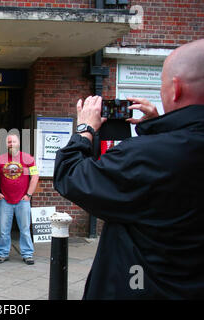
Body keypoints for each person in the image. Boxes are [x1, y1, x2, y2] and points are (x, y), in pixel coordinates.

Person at [53, 39, 204, 299]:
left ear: (176, 89)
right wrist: (160, 126)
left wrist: (85, 130)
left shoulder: (147, 154)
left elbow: (71, 175)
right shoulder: (168, 149)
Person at [0, 132, 39, 265]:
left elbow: (35, 176)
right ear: (6, 144)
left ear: (18, 143)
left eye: (13, 141)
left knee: (25, 229)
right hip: (5, 200)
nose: (11, 144)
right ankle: (3, 253)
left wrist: (29, 195)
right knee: (4, 230)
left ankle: (27, 254)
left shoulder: (28, 158)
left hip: (22, 200)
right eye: (9, 142)